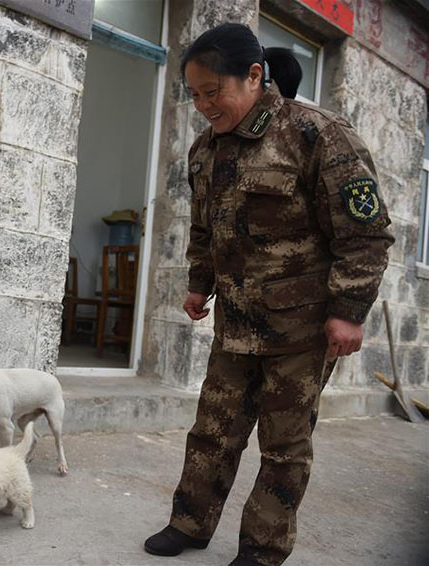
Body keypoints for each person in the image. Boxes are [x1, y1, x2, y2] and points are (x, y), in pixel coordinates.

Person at [143, 23, 394, 566]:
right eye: (195, 95)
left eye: (214, 91)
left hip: (301, 327)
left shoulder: (317, 135)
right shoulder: (204, 150)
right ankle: (189, 522)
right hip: (235, 322)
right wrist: (198, 283)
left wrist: (349, 311)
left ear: (254, 75)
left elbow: (365, 234)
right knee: (212, 430)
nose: (204, 106)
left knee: (283, 444)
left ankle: (262, 548)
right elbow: (204, 229)